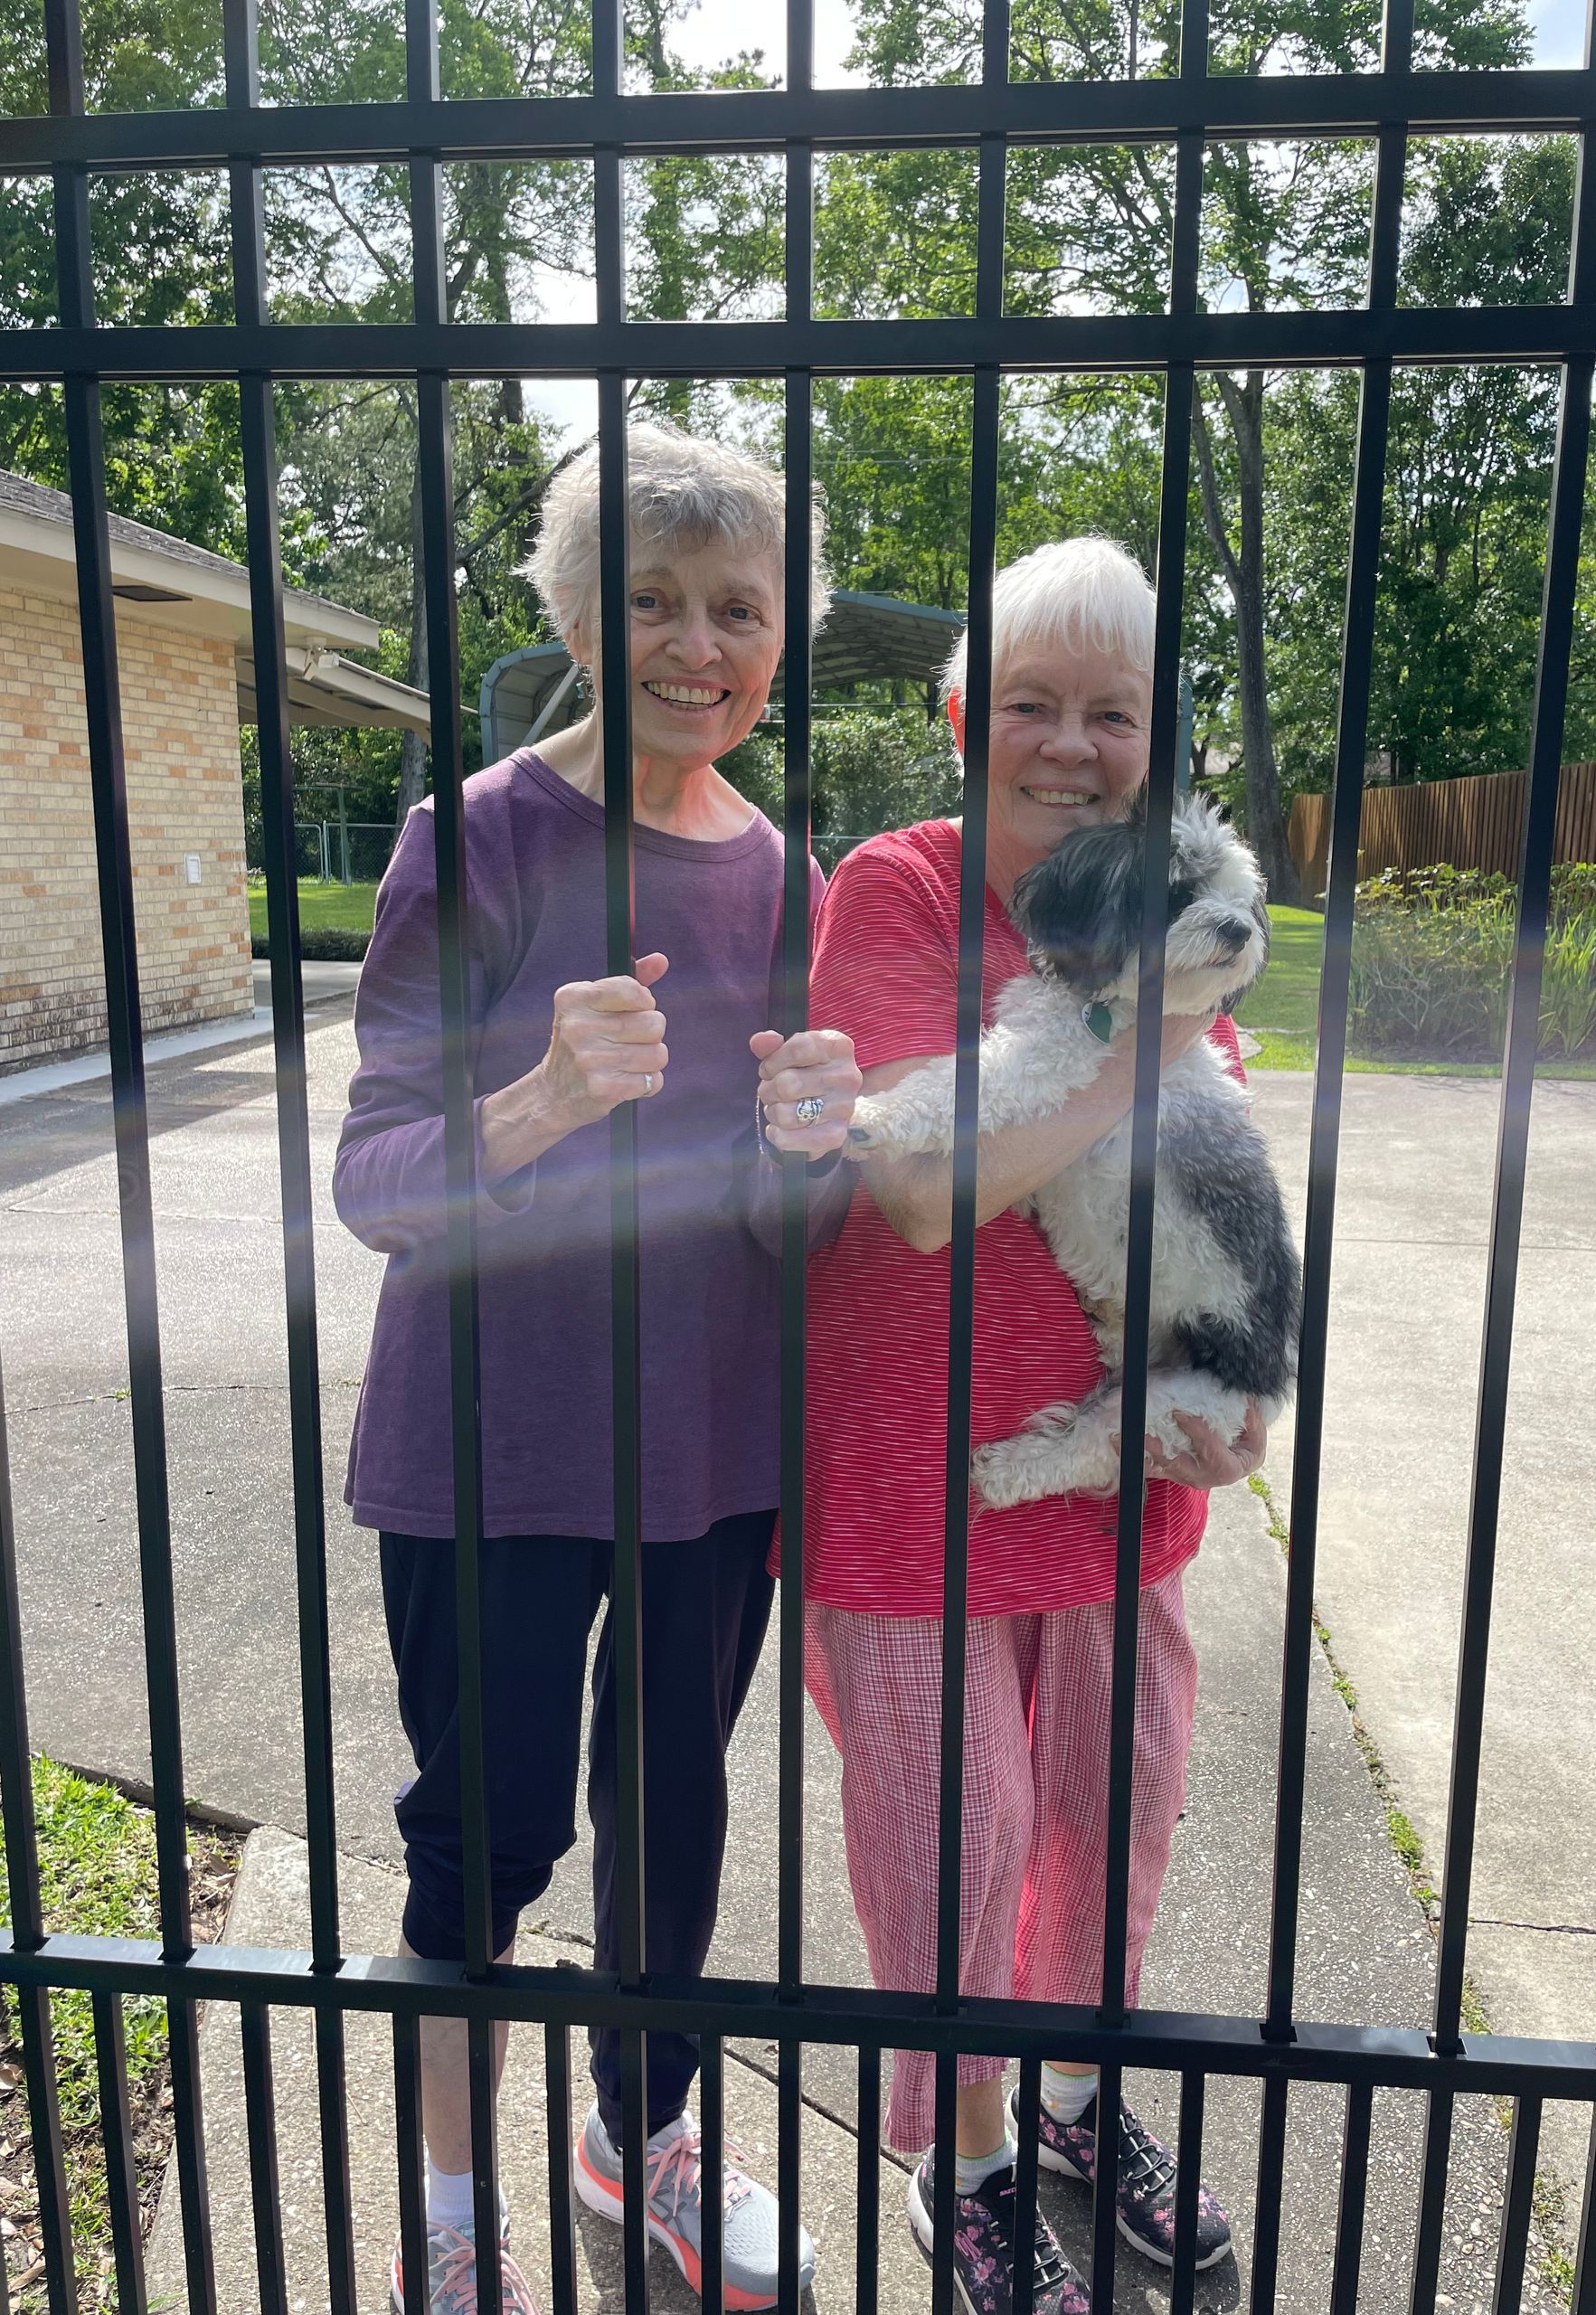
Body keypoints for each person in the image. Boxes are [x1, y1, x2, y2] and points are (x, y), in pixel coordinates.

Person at [335, 424, 861, 2315]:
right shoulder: (467, 835)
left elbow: (782, 1231)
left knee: (677, 1822)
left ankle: (640, 2138)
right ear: (570, 614)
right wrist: (547, 1092)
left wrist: (812, 1150)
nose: (695, 642)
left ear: (780, 635)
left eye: (736, 606)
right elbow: (373, 1180)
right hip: (488, 1444)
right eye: (647, 598)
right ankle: (456, 2207)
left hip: (715, 1448)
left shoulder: (790, 873)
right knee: (484, 1839)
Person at [796, 537, 1261, 2315]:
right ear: (958, 711)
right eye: (1032, 704)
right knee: (958, 1828)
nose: (1072, 744)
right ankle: (966, 2156)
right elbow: (920, 1191)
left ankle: (1074, 2098)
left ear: (1155, 737)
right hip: (907, 1465)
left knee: (1113, 1798)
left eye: (1113, 714)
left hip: (1112, 1462)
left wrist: (1236, 1383)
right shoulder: (901, 892)